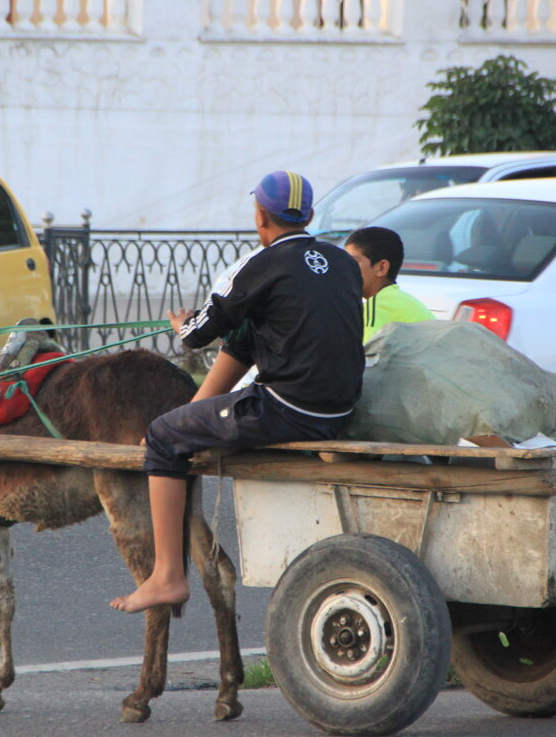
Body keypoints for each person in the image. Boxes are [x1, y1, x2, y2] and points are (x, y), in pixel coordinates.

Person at [110, 171, 365, 614]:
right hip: (339, 409)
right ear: (309, 215)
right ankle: (191, 417)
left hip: (289, 409)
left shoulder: (260, 264)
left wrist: (180, 325)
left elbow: (195, 336)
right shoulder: (341, 261)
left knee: (162, 439)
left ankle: (167, 576)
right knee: (247, 335)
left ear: (260, 215)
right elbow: (271, 327)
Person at [343, 226, 434, 342]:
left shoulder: (378, 306)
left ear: (382, 268)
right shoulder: (398, 299)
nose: (344, 268)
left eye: (353, 262)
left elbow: (365, 355)